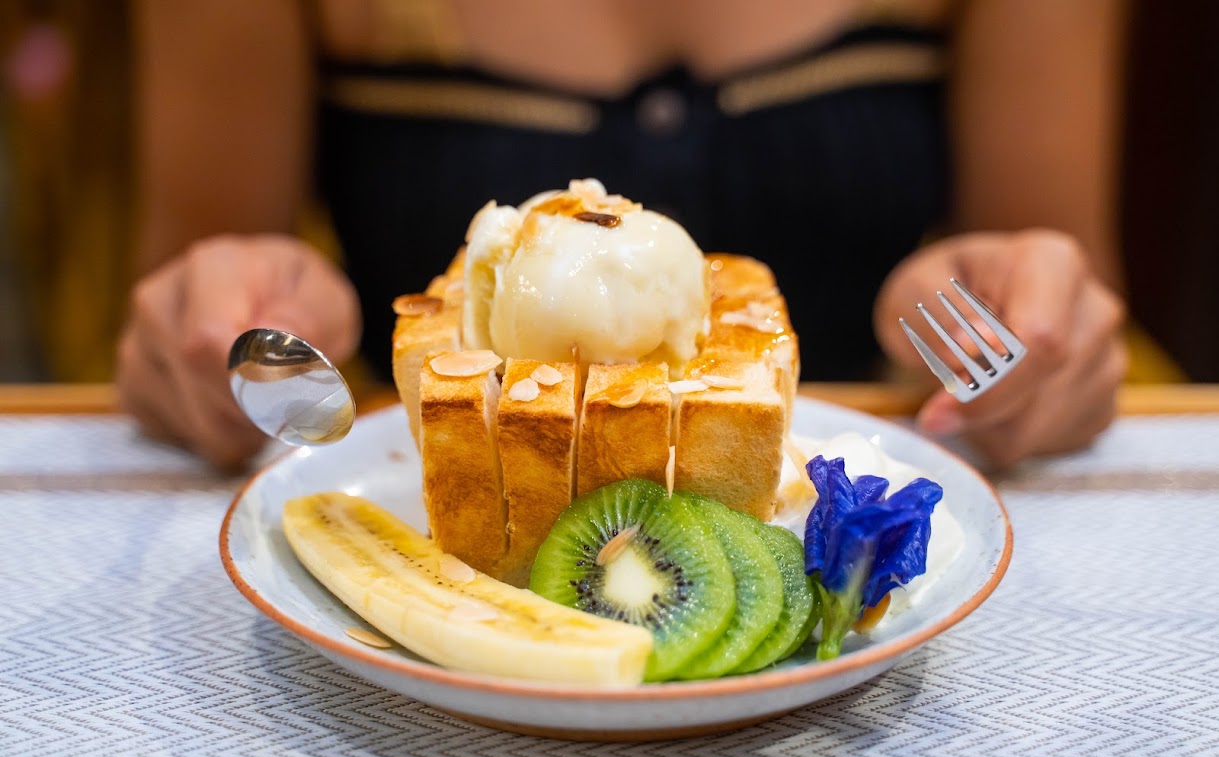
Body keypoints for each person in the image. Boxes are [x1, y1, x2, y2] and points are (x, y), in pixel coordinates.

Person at [117, 0, 1128, 470]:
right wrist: (234, 315)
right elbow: (201, 288)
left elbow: (1044, 255)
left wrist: (1009, 320)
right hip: (425, 486)